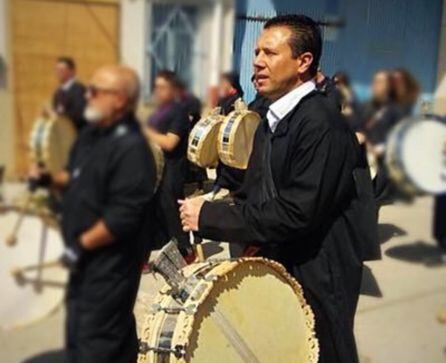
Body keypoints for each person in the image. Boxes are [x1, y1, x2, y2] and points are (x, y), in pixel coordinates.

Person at [180, 14, 379, 363]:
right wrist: (227, 209)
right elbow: (260, 191)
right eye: (256, 51)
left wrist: (211, 218)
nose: (257, 61)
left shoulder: (322, 124)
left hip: (319, 272)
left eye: (270, 53)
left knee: (323, 350)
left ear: (303, 62)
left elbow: (296, 211)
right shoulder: (271, 119)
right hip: (283, 257)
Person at [30, 65, 157, 362]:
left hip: (109, 265)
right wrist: (48, 179)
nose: (88, 96)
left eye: (96, 92)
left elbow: (121, 218)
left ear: (121, 100)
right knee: (83, 329)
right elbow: (73, 176)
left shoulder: (133, 150)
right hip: (84, 260)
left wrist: (80, 245)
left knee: (98, 338)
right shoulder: (91, 135)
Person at [145, 70, 193, 257]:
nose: (158, 91)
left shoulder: (179, 113)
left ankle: (186, 252)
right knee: (154, 212)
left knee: (171, 211)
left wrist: (145, 131)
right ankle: (160, 250)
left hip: (172, 170)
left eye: (162, 87)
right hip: (156, 169)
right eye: (156, 87)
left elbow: (170, 143)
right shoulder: (157, 112)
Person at [358, 70, 403, 203]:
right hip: (364, 161)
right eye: (375, 82)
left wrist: (379, 148)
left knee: (374, 201)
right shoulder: (366, 106)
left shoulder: (396, 110)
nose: (375, 85)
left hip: (382, 164)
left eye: (379, 82)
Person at [215, 72, 246, 193]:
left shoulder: (238, 103)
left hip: (232, 143)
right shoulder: (223, 101)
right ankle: (219, 186)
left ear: (232, 87)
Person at [52, 57, 87, 131]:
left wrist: (59, 117)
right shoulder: (58, 93)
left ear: (72, 71)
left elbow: (79, 115)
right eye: (57, 70)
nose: (58, 73)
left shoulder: (79, 89)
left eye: (61, 70)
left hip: (77, 133)